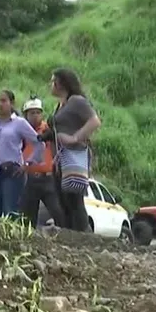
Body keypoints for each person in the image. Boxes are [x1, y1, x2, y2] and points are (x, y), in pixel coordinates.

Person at [0, 90, 45, 217]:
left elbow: (39, 143)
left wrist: (27, 164)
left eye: (4, 101)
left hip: (12, 173)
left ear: (11, 103)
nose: (0, 104)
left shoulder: (19, 123)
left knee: (10, 213)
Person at [48, 68, 101, 232]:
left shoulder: (76, 101)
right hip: (60, 158)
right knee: (63, 200)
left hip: (74, 155)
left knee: (74, 199)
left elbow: (94, 121)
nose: (50, 85)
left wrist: (75, 137)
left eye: (53, 81)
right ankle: (70, 234)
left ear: (61, 83)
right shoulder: (61, 105)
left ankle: (81, 235)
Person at [19, 97, 65, 227]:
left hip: (48, 178)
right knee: (28, 217)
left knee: (58, 212)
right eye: (32, 113)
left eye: (38, 112)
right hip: (29, 178)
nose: (35, 116)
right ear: (26, 115)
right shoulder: (21, 130)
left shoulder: (48, 130)